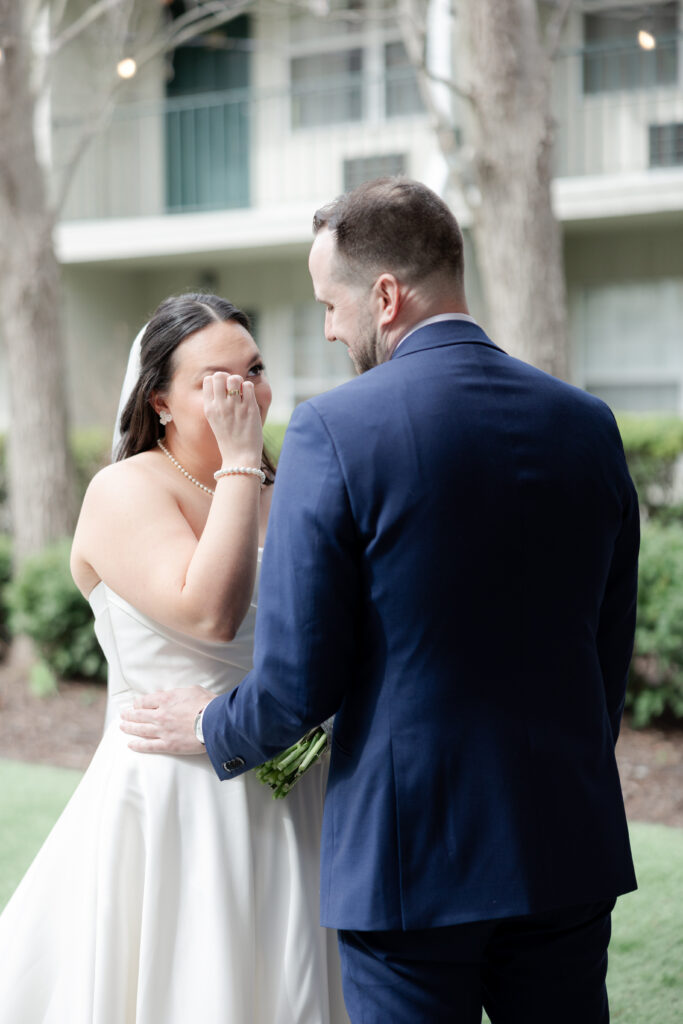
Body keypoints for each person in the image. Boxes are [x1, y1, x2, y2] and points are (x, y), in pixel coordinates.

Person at [121, 179, 640, 1024]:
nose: (327, 328)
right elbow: (602, 655)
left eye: (331, 305)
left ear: (386, 296)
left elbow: (299, 680)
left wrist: (213, 723)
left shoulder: (335, 430)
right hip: (565, 843)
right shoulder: (587, 424)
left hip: (411, 862)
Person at [0, 293, 348, 1024]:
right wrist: (243, 459)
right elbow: (209, 615)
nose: (244, 394)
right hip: (170, 798)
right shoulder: (125, 490)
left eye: (253, 371)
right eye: (215, 381)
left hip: (295, 794)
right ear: (158, 400)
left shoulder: (295, 492)